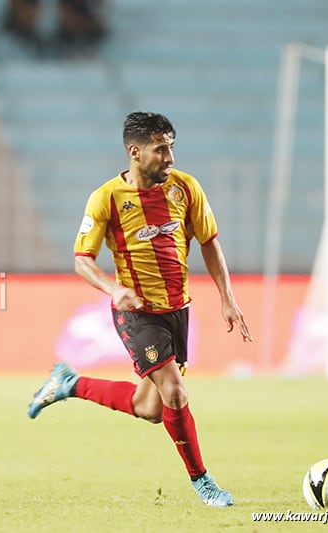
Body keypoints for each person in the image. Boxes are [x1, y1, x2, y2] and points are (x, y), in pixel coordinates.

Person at [27, 112, 252, 507]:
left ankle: (69, 383)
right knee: (175, 392)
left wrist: (227, 298)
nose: (170, 158)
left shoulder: (186, 188)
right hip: (137, 313)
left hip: (177, 309)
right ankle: (203, 481)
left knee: (148, 407)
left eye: (171, 148)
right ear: (135, 152)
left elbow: (209, 243)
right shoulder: (106, 199)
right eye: (161, 149)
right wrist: (113, 288)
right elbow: (82, 259)